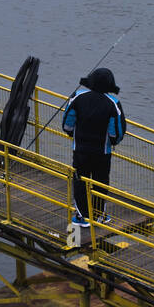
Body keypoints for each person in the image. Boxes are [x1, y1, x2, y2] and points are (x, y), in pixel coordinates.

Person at [62, 67, 125, 226]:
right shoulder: (113, 103)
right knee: (100, 182)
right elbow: (116, 133)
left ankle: (81, 216)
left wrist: (73, 134)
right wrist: (113, 142)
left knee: (80, 180)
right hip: (102, 153)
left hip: (80, 150)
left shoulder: (77, 97)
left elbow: (67, 125)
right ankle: (98, 216)